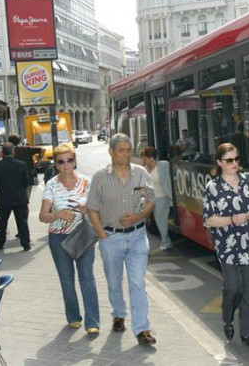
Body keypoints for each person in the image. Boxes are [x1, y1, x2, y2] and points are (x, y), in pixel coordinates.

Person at [87, 133, 157, 346]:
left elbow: (152, 199)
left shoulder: (141, 173)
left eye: (128, 150)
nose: (126, 155)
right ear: (111, 152)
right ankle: (119, 314)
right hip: (111, 238)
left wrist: (140, 216)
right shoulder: (100, 177)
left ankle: (142, 329)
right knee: (115, 282)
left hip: (137, 236)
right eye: (121, 150)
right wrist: (102, 235)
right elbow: (92, 208)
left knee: (137, 283)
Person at [203, 143, 249, 346]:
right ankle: (227, 317)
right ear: (220, 162)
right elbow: (208, 220)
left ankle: (247, 333)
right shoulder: (213, 187)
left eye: (237, 159)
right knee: (234, 288)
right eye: (229, 160)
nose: (235, 163)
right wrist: (231, 220)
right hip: (228, 247)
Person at [38, 144, 100, 335]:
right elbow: (42, 216)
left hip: (82, 235)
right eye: (61, 161)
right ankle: (73, 317)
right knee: (66, 279)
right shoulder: (51, 185)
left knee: (87, 278)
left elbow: (98, 209)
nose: (66, 165)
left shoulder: (87, 182)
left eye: (69, 160)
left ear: (75, 161)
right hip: (58, 238)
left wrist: (87, 209)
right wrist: (57, 214)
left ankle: (93, 322)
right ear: (56, 164)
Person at [0, 143, 32, 251]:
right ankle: (26, 243)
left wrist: (3, 186)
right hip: (20, 198)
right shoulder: (21, 164)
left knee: (3, 221)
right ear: (13, 152)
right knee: (22, 221)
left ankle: (0, 242)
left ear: (2, 153)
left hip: (4, 198)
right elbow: (27, 181)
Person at [140, 146, 173, 250]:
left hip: (162, 197)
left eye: (145, 158)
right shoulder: (144, 170)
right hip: (149, 199)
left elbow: (170, 179)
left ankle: (166, 242)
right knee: (141, 220)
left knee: (160, 220)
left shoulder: (163, 165)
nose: (143, 160)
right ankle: (141, 244)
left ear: (151, 158)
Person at [8, 133, 43, 200]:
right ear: (19, 140)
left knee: (17, 199)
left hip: (14, 179)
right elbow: (42, 150)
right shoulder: (26, 149)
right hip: (28, 177)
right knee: (26, 199)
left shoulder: (9, 151)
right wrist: (38, 162)